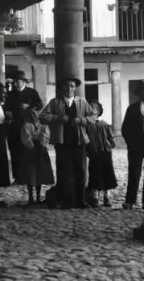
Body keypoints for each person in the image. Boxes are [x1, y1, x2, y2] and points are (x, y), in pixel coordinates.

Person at [40, 75, 97, 209]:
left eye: (72, 86)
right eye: (67, 86)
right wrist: (58, 118)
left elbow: (93, 116)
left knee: (81, 172)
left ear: (75, 88)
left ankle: (80, 200)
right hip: (62, 142)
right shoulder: (55, 102)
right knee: (63, 172)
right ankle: (65, 201)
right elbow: (42, 116)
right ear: (61, 88)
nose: (69, 88)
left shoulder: (82, 102)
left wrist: (82, 120)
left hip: (79, 141)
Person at [5, 70, 44, 184]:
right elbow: (5, 107)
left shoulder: (32, 93)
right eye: (15, 81)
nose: (17, 83)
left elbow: (40, 105)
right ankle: (17, 177)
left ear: (24, 82)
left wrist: (29, 106)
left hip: (28, 127)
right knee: (15, 152)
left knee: (27, 152)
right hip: (14, 128)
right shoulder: (10, 94)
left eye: (19, 81)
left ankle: (27, 177)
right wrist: (8, 112)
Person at [121, 80, 144, 210]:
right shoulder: (132, 109)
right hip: (136, 145)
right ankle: (130, 201)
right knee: (134, 173)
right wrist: (131, 143)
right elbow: (125, 129)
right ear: (139, 93)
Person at [19, 106, 55, 205]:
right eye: (30, 114)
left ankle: (38, 197)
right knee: (30, 175)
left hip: (41, 152)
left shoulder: (43, 126)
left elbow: (45, 137)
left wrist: (40, 140)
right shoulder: (26, 126)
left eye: (34, 113)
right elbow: (27, 139)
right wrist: (34, 141)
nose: (33, 115)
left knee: (40, 174)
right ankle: (31, 197)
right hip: (30, 152)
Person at [86, 101, 117, 208]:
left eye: (95, 108)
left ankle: (106, 196)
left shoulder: (104, 124)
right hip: (94, 152)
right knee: (94, 173)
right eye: (90, 108)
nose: (92, 110)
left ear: (99, 111)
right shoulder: (87, 125)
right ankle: (94, 197)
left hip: (105, 152)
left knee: (106, 173)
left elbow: (110, 137)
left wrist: (111, 143)